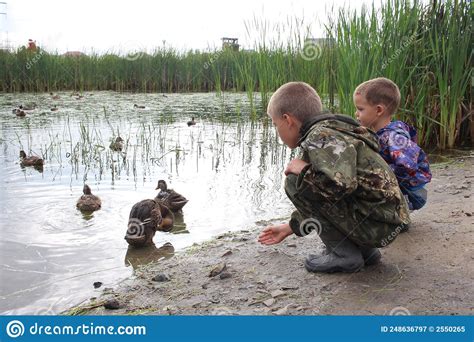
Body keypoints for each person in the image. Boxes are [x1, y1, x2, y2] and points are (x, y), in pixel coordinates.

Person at [258, 82, 410, 273]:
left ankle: (344, 255)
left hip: (378, 225)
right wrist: (290, 227)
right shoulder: (334, 129)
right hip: (384, 221)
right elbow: (343, 192)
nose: (276, 131)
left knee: (294, 182)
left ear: (288, 120)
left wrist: (304, 169)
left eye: (275, 124)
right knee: (310, 182)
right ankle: (365, 251)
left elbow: (342, 186)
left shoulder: (320, 137)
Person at [353, 77, 432, 213]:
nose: (356, 114)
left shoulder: (393, 137)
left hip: (413, 193)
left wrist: (377, 171)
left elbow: (407, 166)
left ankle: (400, 210)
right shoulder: (380, 133)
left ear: (378, 110)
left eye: (360, 109)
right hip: (406, 188)